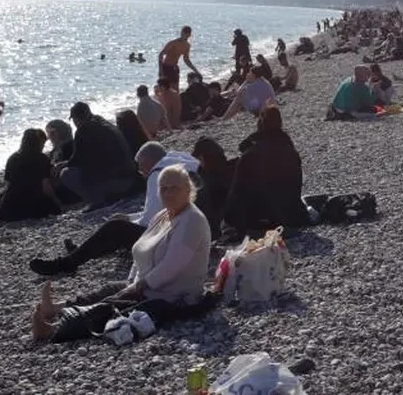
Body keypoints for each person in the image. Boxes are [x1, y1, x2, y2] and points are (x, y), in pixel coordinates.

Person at [30, 165, 213, 343]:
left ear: (188, 189)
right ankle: (56, 309)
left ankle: (54, 330)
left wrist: (137, 287)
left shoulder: (192, 221)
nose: (168, 193)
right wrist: (132, 282)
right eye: (163, 188)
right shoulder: (163, 216)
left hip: (173, 296)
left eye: (174, 188)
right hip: (149, 287)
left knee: (111, 306)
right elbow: (142, 249)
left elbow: (171, 267)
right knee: (108, 290)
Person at [30, 142, 201, 276]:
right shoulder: (183, 163)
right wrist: (130, 217)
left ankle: (66, 263)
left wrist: (125, 221)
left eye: (141, 166)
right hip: (194, 227)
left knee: (115, 227)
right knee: (120, 226)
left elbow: (150, 221)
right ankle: (82, 252)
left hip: (177, 238)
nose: (140, 171)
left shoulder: (158, 175)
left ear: (149, 162)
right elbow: (160, 211)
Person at [224, 104, 308, 238]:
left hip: (256, 219)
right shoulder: (291, 152)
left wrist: (230, 217)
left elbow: (236, 192)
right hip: (289, 216)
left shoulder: (250, 154)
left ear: (260, 124)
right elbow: (296, 187)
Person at [56, 102, 137, 209]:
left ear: (76, 119)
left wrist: (61, 165)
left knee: (66, 173)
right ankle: (107, 196)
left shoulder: (83, 130)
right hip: (130, 177)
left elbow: (77, 160)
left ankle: (95, 200)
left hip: (116, 182)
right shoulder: (105, 123)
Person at [0, 129, 63, 225]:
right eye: (42, 144)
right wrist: (57, 200)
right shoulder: (42, 159)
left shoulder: (13, 158)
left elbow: (8, 185)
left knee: (5, 205)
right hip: (34, 205)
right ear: (38, 143)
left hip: (11, 206)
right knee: (54, 208)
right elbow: (46, 187)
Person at [192, 135, 233, 231]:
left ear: (204, 158)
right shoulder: (232, 168)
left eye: (200, 158)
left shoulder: (205, 180)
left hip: (217, 227)